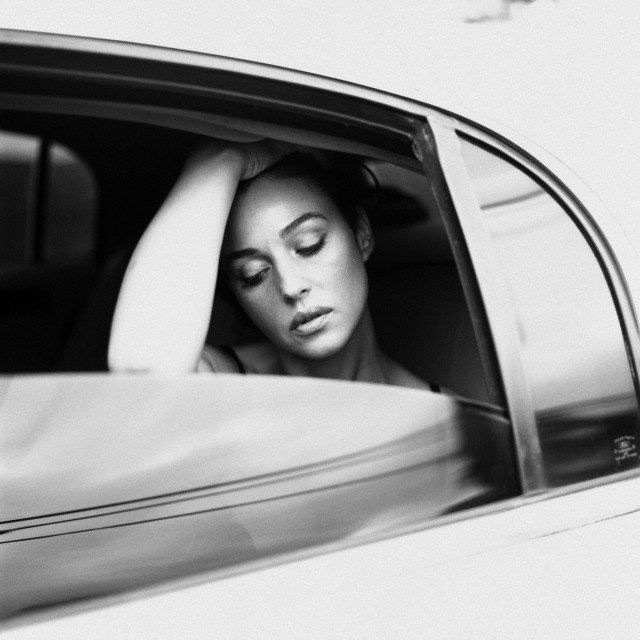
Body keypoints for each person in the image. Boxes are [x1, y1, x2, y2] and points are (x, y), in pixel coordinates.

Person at [108, 141, 429, 390]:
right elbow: (143, 371)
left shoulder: (444, 414)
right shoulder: (221, 383)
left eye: (309, 245)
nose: (291, 286)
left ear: (361, 234)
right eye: (254, 274)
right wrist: (222, 158)